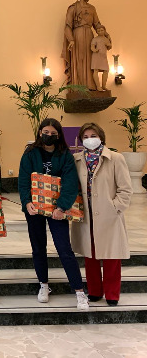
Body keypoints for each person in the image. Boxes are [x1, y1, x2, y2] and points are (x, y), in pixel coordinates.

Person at [18, 118, 89, 310]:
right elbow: (23, 180)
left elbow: (70, 182)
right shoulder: (30, 153)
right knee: (38, 247)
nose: (49, 136)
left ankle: (79, 291)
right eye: (45, 132)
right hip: (35, 209)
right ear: (40, 132)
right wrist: (26, 203)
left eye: (53, 133)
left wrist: (62, 207)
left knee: (64, 248)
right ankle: (43, 285)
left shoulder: (65, 155)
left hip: (57, 210)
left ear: (59, 135)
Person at [71, 123, 132, 306]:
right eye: (86, 136)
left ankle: (112, 294)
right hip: (86, 214)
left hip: (108, 215)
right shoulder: (76, 160)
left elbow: (125, 189)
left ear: (101, 137)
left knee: (112, 255)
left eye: (93, 135)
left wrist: (115, 208)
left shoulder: (115, 158)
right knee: (90, 254)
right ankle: (95, 291)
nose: (90, 139)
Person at [62, 0, 110, 91]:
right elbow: (68, 26)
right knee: (79, 59)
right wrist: (71, 39)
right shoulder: (73, 7)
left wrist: (106, 35)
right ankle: (79, 87)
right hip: (77, 36)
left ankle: (90, 85)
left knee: (90, 61)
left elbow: (97, 24)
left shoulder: (92, 8)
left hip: (89, 36)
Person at [90, 25, 112, 91]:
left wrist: (109, 44)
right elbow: (92, 47)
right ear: (96, 32)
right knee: (95, 70)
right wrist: (95, 50)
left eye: (102, 30)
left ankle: (104, 85)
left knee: (106, 70)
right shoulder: (95, 39)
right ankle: (98, 86)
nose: (100, 32)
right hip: (96, 56)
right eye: (98, 31)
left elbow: (109, 47)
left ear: (104, 31)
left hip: (103, 56)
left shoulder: (106, 39)